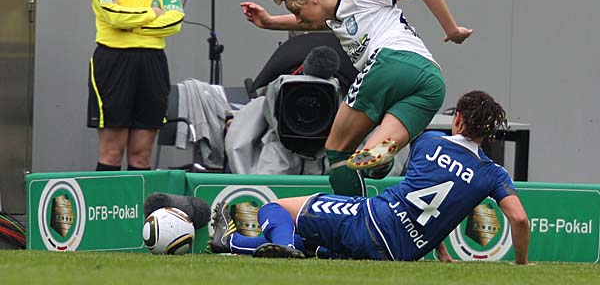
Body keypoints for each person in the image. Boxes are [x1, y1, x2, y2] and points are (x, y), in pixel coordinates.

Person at [240, 0, 473, 196]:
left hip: (389, 62)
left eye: (298, 12)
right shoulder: (336, 19)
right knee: (369, 155)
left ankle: (352, 214)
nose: (298, 20)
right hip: (430, 81)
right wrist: (268, 22)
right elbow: (308, 23)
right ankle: (381, 162)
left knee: (337, 151)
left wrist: (452, 30)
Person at [209, 90, 531, 263]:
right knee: (308, 245)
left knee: (276, 209)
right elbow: (518, 219)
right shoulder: (492, 173)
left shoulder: (429, 141)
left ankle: (273, 246)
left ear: (457, 119)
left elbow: (428, 186)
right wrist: (520, 263)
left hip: (371, 220)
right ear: (489, 132)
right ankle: (232, 242)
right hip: (401, 253)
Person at [86, 0, 184, 171]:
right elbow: (111, 15)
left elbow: (175, 19)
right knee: (111, 153)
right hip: (113, 60)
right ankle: (106, 199)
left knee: (141, 155)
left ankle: (139, 202)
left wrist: (131, 23)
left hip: (153, 62)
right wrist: (152, 13)